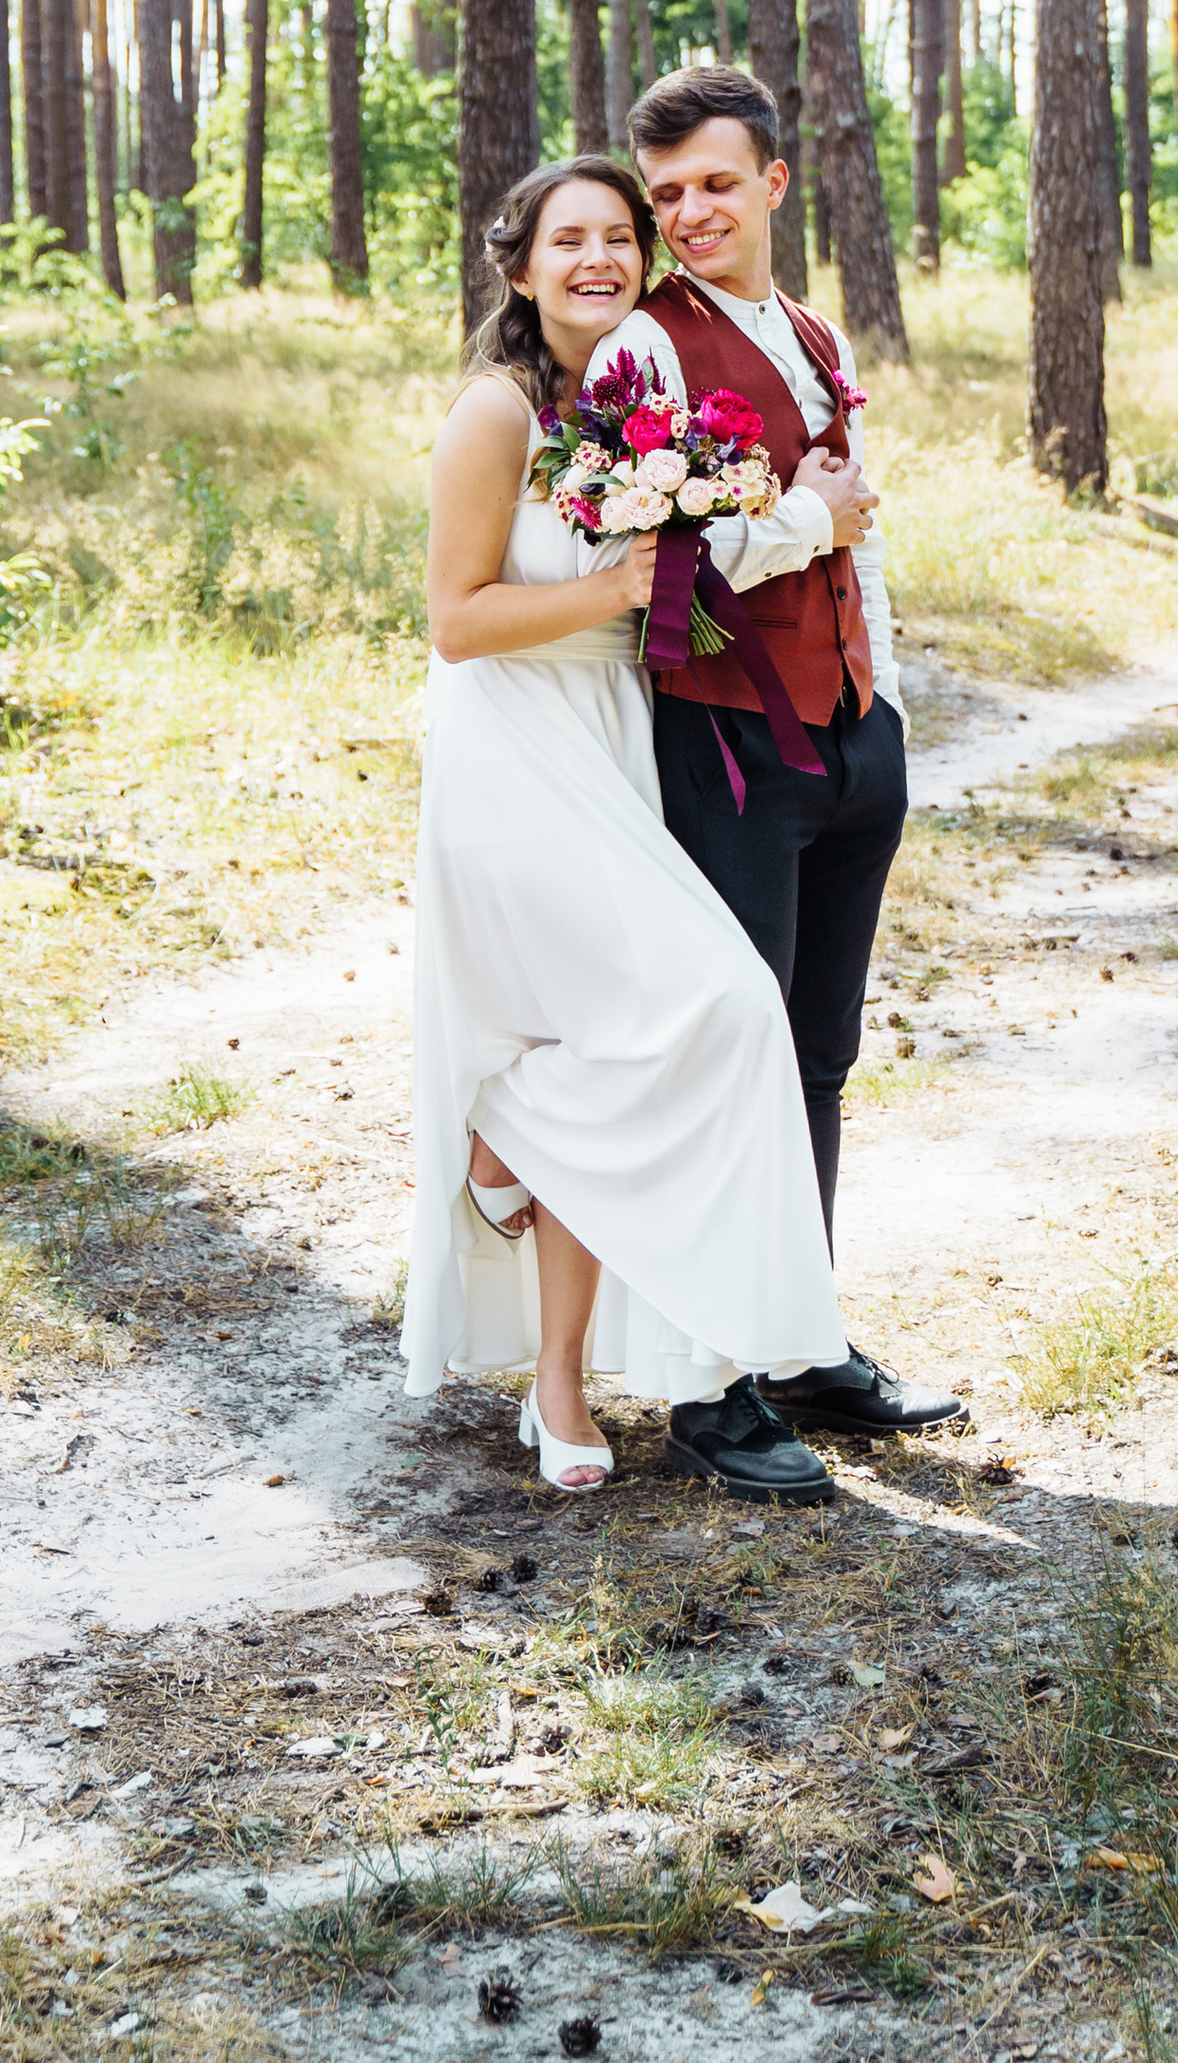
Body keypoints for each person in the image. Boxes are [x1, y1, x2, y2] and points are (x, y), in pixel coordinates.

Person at [403, 152, 854, 1503]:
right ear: (521, 267)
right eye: (569, 240)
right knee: (715, 1003)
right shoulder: (494, 415)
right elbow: (456, 619)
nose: (599, 258)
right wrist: (624, 586)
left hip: (617, 745)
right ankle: (511, 1127)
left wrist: (767, 525)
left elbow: (686, 575)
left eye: (619, 238)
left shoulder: (629, 407)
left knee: (618, 1042)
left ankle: (559, 1370)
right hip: (513, 755)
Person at [609, 61, 963, 1451]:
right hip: (729, 750)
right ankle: (710, 1382)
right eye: (668, 194)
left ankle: (803, 1344)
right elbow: (651, 569)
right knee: (732, 1063)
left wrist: (887, 712)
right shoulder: (645, 351)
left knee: (818, 1059)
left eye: (713, 184)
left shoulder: (814, 337)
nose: (689, 214)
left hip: (847, 744)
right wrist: (809, 529)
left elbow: (859, 520)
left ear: (773, 180)